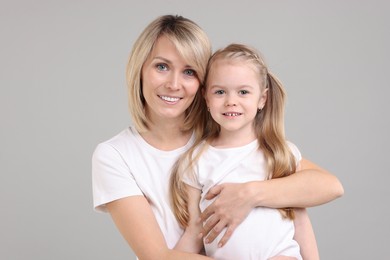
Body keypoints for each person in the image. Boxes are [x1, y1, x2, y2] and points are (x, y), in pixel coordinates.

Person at [92, 15, 344, 259]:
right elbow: (158, 256)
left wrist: (249, 194)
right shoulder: (115, 155)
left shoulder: (226, 134)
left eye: (189, 71)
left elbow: (325, 187)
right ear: (140, 69)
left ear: (202, 85)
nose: (173, 83)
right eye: (161, 66)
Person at [170, 43, 326, 259]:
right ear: (206, 97)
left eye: (243, 92)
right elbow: (196, 230)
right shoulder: (196, 160)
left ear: (262, 99)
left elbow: (299, 218)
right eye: (220, 92)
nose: (231, 101)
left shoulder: (279, 153)